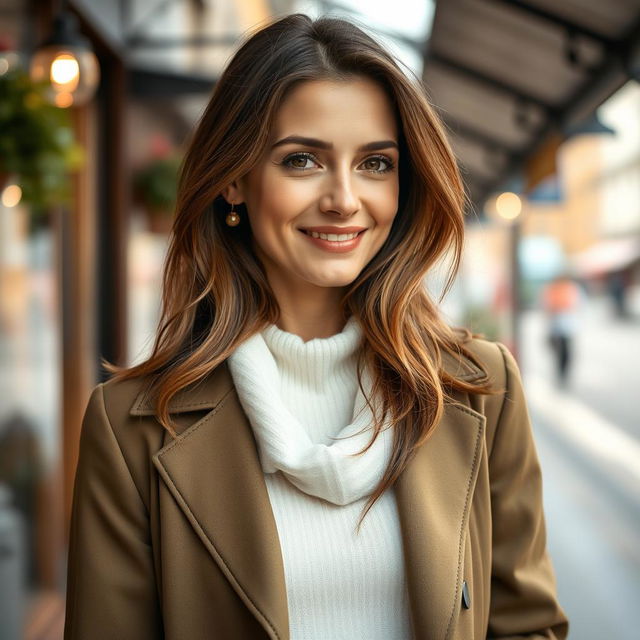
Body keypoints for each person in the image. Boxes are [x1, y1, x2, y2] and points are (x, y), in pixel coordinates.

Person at [63, 14, 568, 640]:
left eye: (376, 164)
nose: (344, 198)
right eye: (302, 160)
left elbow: (527, 628)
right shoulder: (130, 427)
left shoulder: (482, 388)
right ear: (233, 181)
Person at [542, 274, 581, 385]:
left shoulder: (570, 289)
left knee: (565, 352)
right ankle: (561, 372)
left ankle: (562, 373)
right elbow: (547, 305)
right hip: (557, 325)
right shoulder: (554, 289)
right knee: (560, 351)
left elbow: (576, 305)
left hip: (567, 325)